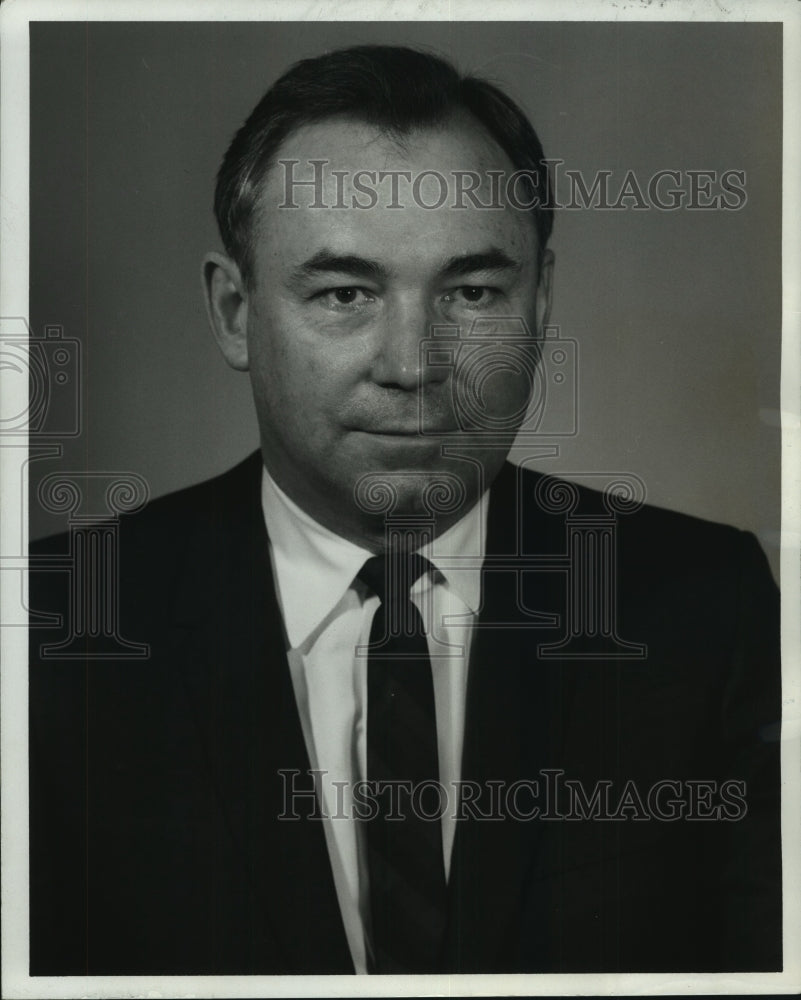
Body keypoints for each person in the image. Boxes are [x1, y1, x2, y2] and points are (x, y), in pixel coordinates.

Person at [28, 45, 781, 976]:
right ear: (233, 311)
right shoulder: (52, 634)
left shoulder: (707, 609)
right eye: (344, 293)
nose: (414, 364)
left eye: (472, 293)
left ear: (540, 302)